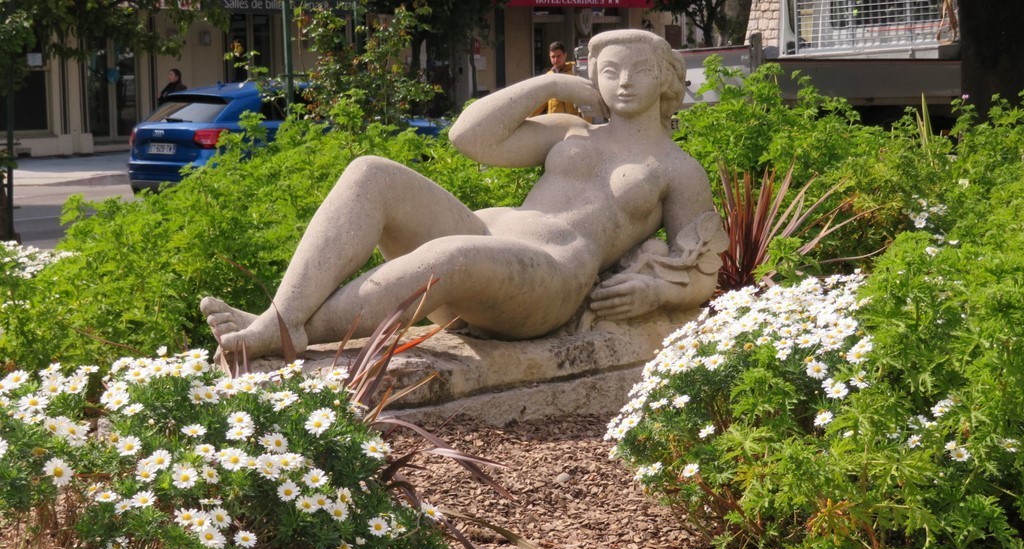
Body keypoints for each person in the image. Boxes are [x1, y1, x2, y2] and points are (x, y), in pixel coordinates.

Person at [201, 29, 723, 361]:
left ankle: (286, 334)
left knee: (448, 257)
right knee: (370, 173)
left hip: (551, 278)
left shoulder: (678, 169)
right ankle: (281, 316)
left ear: (667, 81)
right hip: (487, 238)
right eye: (610, 71)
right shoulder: (571, 130)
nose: (624, 82)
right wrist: (543, 86)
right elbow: (468, 138)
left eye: (640, 71)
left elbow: (701, 267)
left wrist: (656, 293)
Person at [530, 41, 582, 117]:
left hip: (572, 121)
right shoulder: (548, 76)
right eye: (553, 57)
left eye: (558, 56)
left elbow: (584, 101)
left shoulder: (575, 73)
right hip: (553, 122)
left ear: (565, 55)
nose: (556, 60)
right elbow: (541, 102)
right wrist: (529, 117)